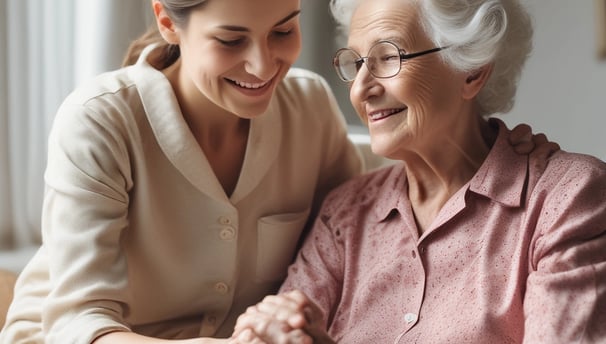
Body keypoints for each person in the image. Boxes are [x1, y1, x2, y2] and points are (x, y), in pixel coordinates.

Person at [0, 0, 550, 343]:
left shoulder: (305, 105)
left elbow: (363, 195)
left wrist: (490, 144)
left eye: (283, 31)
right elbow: (76, 325)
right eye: (231, 40)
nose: (264, 67)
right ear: (168, 21)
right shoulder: (102, 119)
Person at [230, 0, 606, 343]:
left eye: (388, 57)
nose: (361, 89)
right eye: (357, 62)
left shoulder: (567, 200)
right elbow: (273, 331)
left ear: (472, 71)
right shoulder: (345, 214)